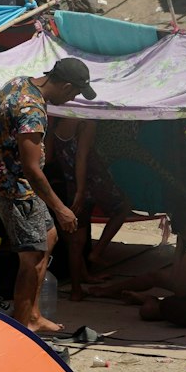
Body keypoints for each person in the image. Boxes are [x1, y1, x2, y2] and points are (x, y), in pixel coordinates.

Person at [0, 58, 97, 334]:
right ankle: (23, 322)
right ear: (66, 86)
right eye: (75, 92)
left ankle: (33, 313)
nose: (73, 99)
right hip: (16, 189)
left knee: (48, 237)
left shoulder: (17, 83)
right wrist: (61, 208)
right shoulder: (32, 111)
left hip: (3, 178)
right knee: (31, 257)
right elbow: (31, 169)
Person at [45, 116, 130, 296]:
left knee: (75, 239)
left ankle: (79, 285)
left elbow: (49, 156)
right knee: (122, 208)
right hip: (90, 180)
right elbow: (81, 157)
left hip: (69, 182)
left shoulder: (55, 122)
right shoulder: (86, 123)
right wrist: (81, 190)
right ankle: (95, 255)